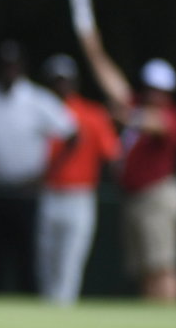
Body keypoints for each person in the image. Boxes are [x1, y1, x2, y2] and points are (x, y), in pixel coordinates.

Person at [0, 42, 74, 294]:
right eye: (3, 66)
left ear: (21, 67)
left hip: (26, 189)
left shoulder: (39, 100)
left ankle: (30, 309)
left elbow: (71, 135)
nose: (8, 71)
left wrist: (47, 172)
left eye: (12, 65)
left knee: (28, 258)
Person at [78, 29, 176, 302]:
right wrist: (94, 49)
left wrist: (128, 116)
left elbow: (154, 124)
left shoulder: (170, 117)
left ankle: (167, 319)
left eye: (160, 90)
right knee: (144, 270)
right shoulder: (135, 106)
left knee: (162, 265)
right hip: (133, 197)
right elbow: (110, 79)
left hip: (157, 196)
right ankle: (153, 315)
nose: (154, 94)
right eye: (150, 88)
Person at [38, 54, 121, 305]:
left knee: (71, 259)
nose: (61, 86)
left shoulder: (93, 115)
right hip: (49, 193)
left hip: (80, 195)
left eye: (65, 80)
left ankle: (64, 309)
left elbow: (111, 155)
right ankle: (46, 309)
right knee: (46, 258)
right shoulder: (40, 111)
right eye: (56, 81)